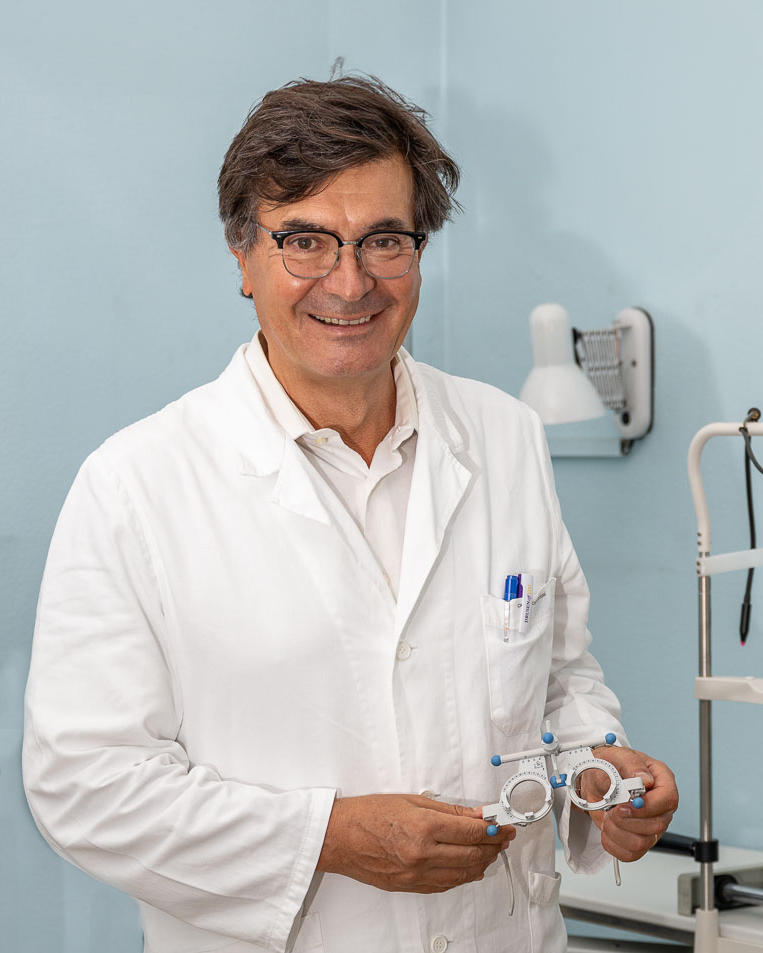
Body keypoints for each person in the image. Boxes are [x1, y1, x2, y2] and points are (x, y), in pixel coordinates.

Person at [23, 75, 677, 953]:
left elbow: (558, 678)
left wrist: (600, 768)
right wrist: (326, 836)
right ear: (242, 257)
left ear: (419, 250)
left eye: (383, 240)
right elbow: (84, 785)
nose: (349, 280)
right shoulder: (135, 485)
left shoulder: (504, 434)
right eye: (304, 241)